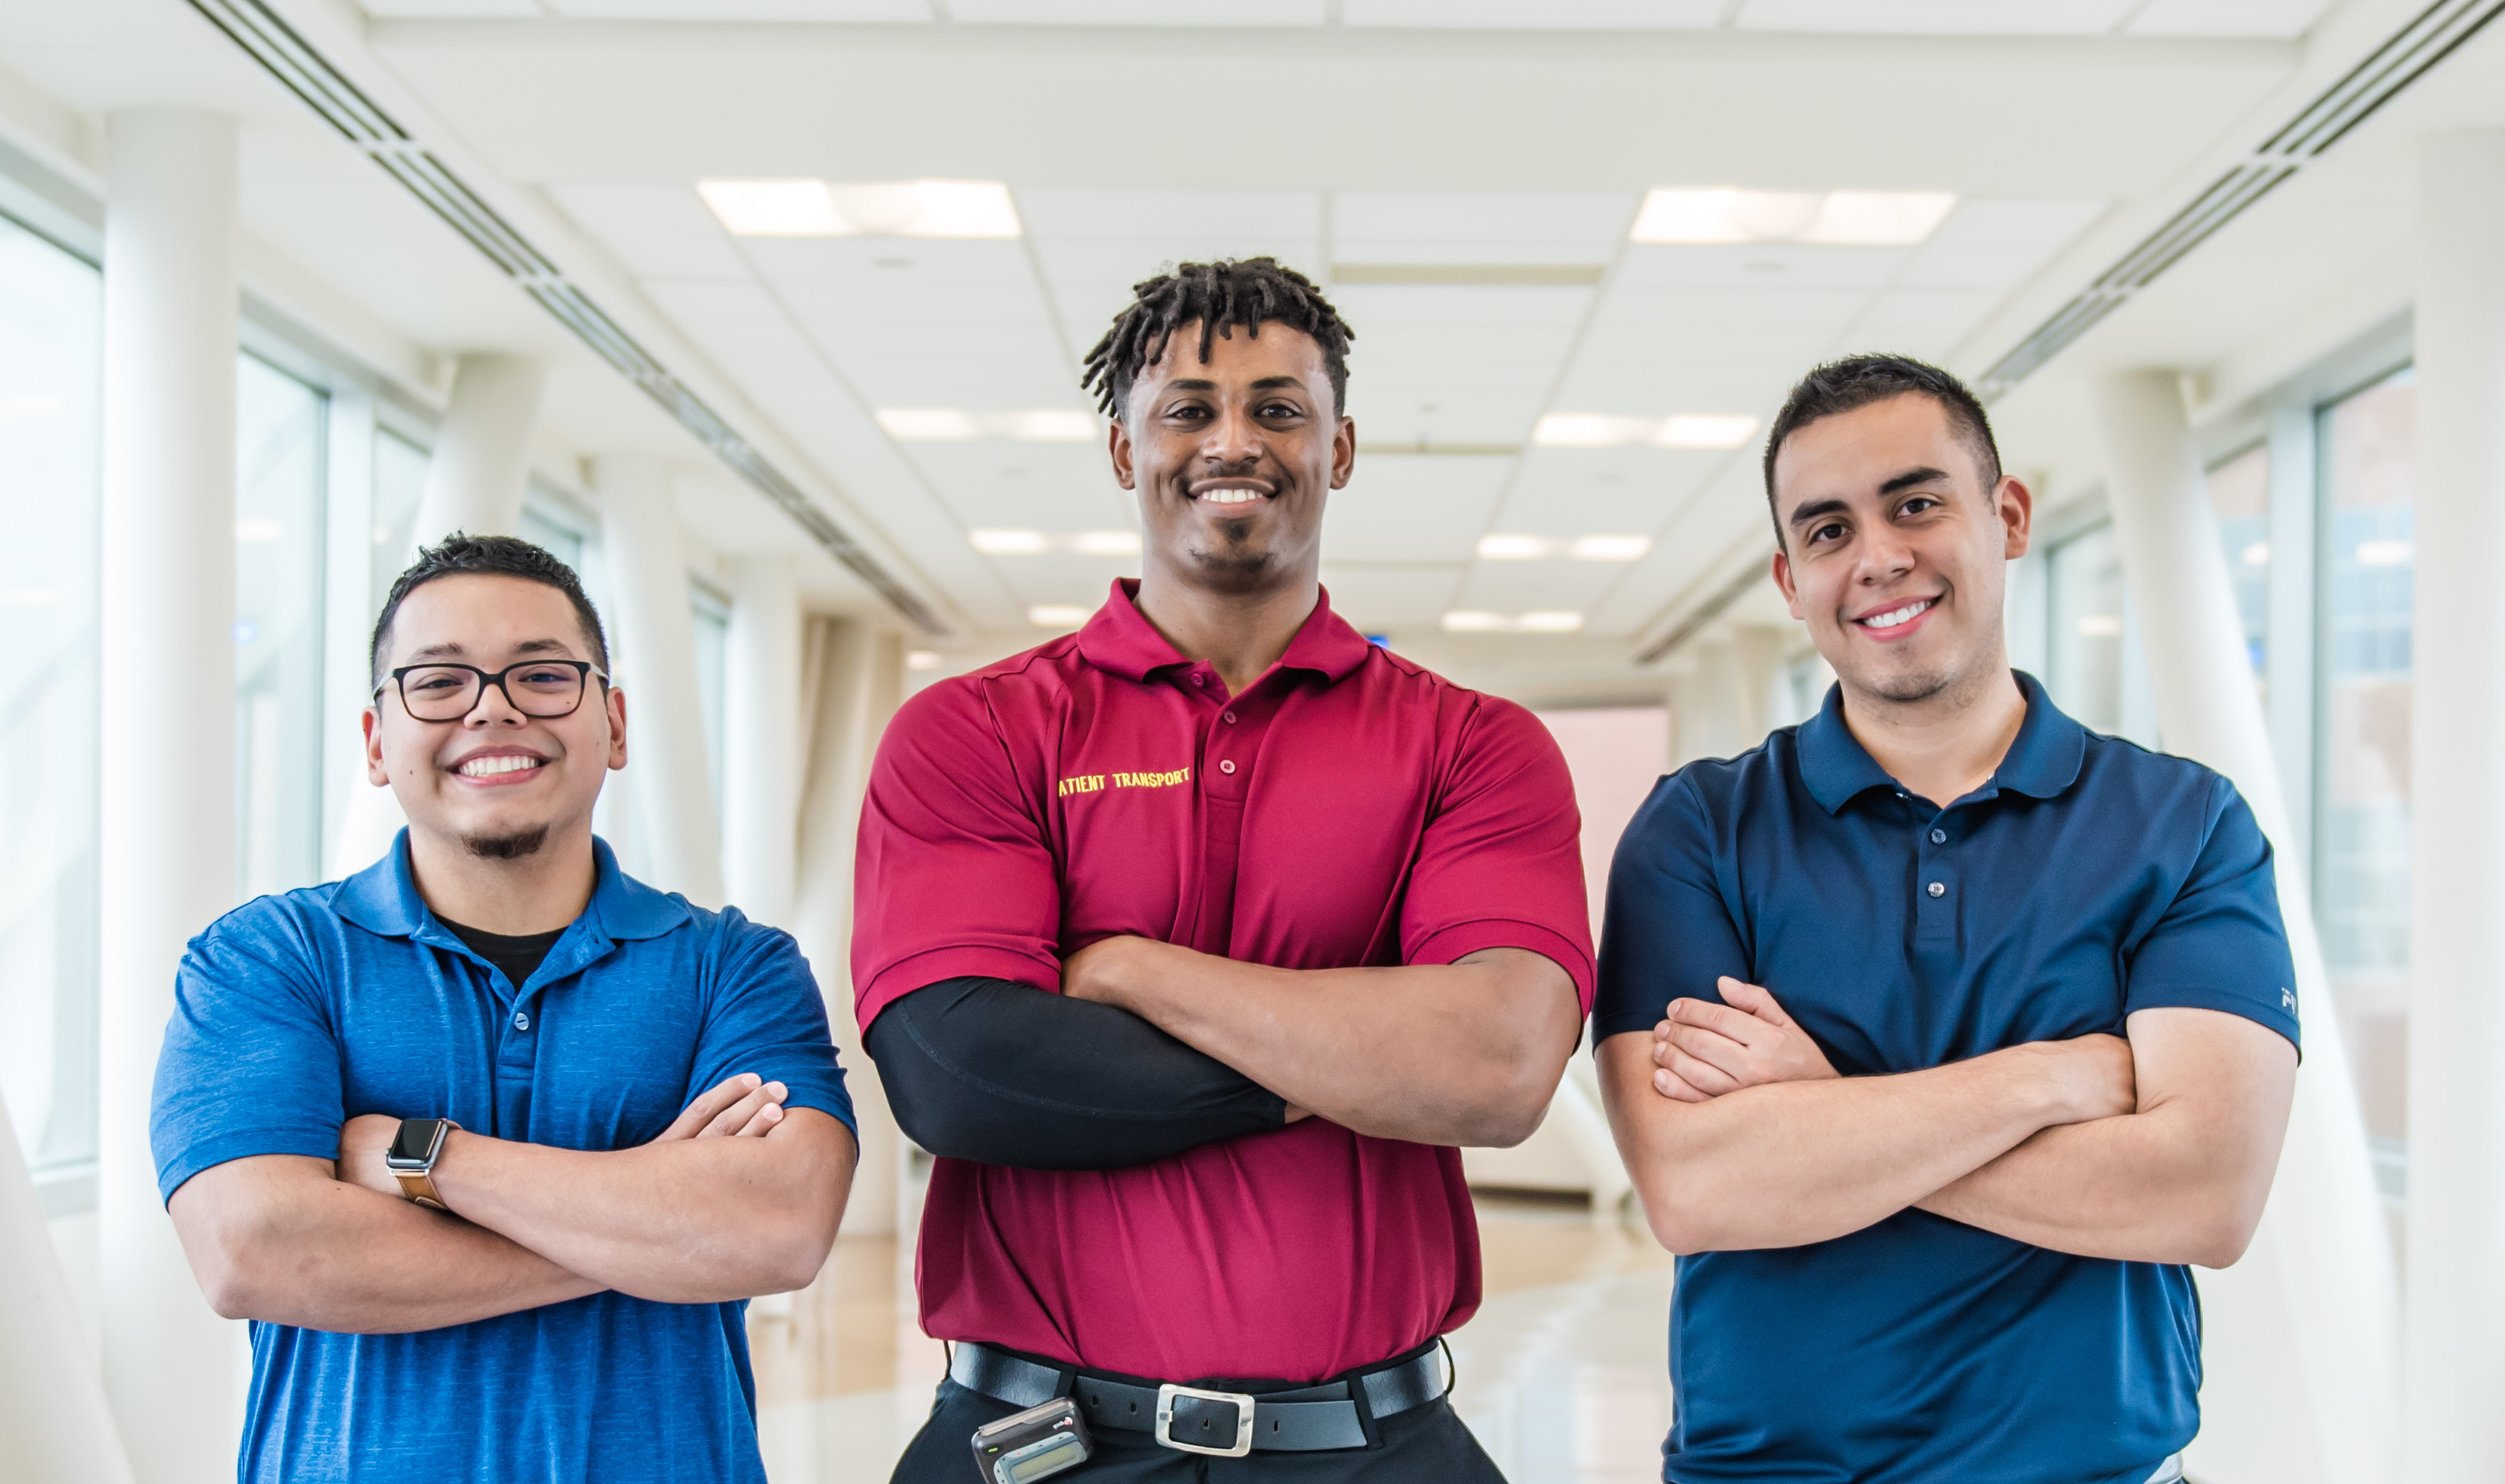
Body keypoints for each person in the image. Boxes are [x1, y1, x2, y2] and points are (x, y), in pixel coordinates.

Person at [855, 257, 1592, 1480]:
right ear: (1121, 447)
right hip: (1039, 1443)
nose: (1232, 438)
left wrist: (1132, 968)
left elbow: (1499, 1064)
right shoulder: (976, 730)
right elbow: (962, 1072)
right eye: (1189, 407)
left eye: (1278, 406)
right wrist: (1358, 1061)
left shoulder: (1474, 743)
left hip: (1377, 1444)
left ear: (1341, 446)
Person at [1593, 355, 2302, 1484]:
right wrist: (2047, 1081)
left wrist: (1821, 1114)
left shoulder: (2182, 824)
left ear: (2007, 515)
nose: (1877, 557)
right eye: (1827, 531)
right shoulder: (1698, 833)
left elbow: (2204, 1194)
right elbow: (1697, 1188)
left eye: (1916, 503)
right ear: (1790, 579)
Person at [154, 533, 855, 1483]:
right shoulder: (268, 960)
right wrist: (658, 1220)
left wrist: (427, 1159)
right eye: (439, 683)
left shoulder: (736, 967)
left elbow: (778, 1229)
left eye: (541, 676)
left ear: (612, 724)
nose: (492, 708)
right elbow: (255, 1252)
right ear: (376, 741)